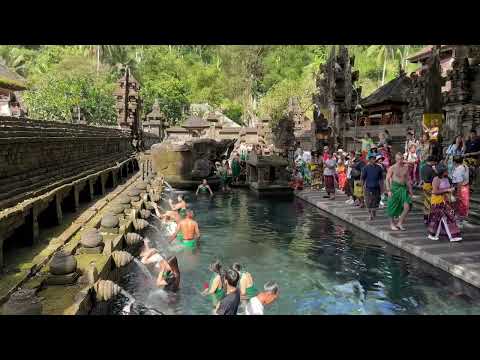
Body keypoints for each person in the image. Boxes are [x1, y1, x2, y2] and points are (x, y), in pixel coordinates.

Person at [427, 164, 462, 242]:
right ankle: (452, 236)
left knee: (447, 218)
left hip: (446, 200)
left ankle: (436, 234)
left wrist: (452, 190)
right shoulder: (436, 179)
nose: (447, 171)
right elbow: (435, 191)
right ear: (442, 172)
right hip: (437, 201)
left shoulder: (447, 179)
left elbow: (448, 188)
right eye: (446, 171)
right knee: (439, 218)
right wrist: (447, 190)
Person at [386, 152, 413, 231]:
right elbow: (387, 179)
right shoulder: (392, 168)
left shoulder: (406, 167)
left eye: (401, 159)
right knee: (392, 206)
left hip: (403, 189)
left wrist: (410, 190)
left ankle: (400, 223)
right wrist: (388, 190)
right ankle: (392, 224)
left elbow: (408, 180)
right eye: (398, 159)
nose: (400, 160)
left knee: (407, 207)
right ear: (396, 159)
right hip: (394, 188)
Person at [361, 154, 384, 220]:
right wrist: (363, 187)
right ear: (369, 159)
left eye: (374, 158)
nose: (373, 160)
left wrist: (382, 188)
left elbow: (381, 179)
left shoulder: (379, 167)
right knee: (368, 201)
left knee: (376, 200)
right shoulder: (366, 168)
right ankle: (370, 214)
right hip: (368, 187)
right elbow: (363, 178)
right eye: (372, 158)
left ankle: (373, 212)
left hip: (377, 187)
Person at [451, 156, 470, 226]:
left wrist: (458, 194)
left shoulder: (459, 169)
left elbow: (459, 182)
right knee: (464, 204)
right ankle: (462, 219)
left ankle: (459, 221)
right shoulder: (465, 166)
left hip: (460, 188)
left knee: (459, 204)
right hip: (465, 187)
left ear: (454, 162)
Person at [421, 156, 437, 225]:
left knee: (426, 202)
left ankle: (425, 218)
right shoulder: (431, 169)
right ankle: (429, 218)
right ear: (432, 161)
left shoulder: (423, 167)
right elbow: (434, 178)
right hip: (430, 186)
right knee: (430, 202)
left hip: (424, 184)